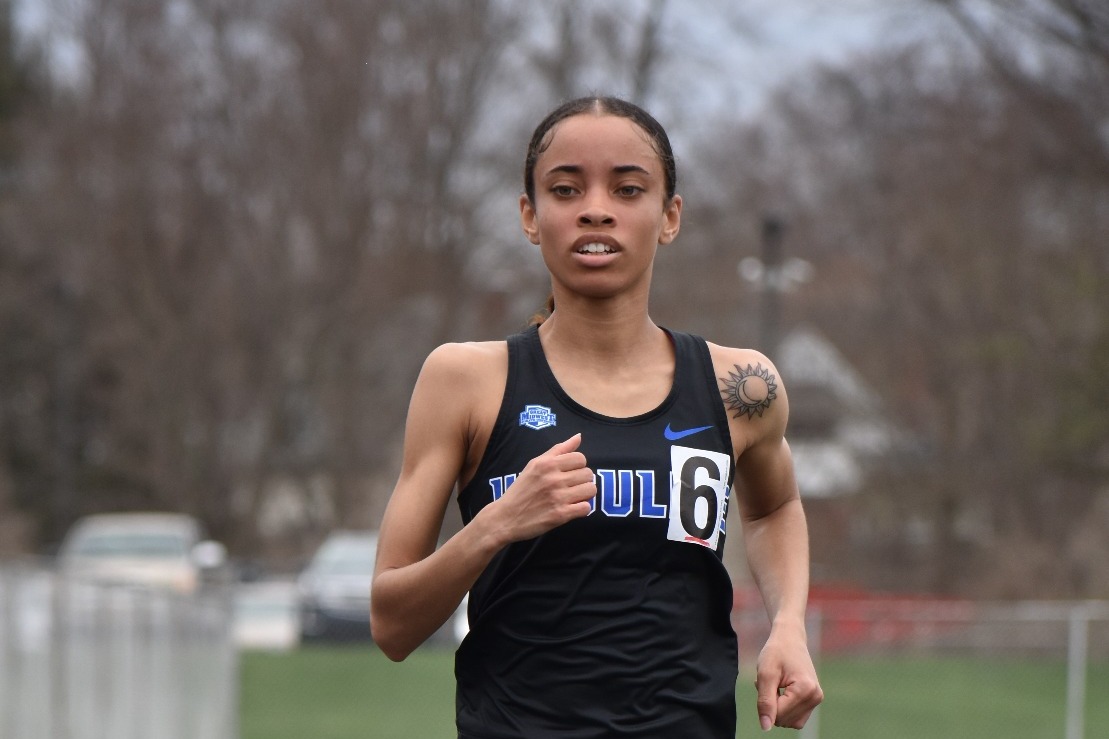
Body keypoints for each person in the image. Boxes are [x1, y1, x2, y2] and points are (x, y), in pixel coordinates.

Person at [371, 96, 823, 738]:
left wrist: (788, 627)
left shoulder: (740, 386)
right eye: (565, 189)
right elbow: (391, 625)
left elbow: (774, 508)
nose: (595, 208)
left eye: (628, 189)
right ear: (530, 216)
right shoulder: (465, 380)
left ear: (670, 217)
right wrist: (495, 526)